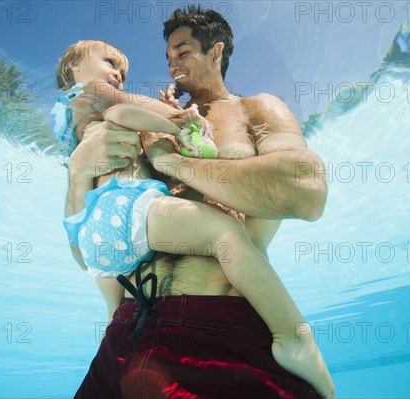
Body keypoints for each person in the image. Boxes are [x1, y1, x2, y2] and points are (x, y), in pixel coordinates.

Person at [65, 6, 335, 399]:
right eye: (169, 56)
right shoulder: (148, 121)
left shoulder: (255, 109)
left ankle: (297, 341)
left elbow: (306, 190)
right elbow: (86, 248)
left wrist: (173, 162)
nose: (173, 65)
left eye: (184, 52)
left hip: (221, 328)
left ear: (216, 52)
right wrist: (76, 172)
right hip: (126, 330)